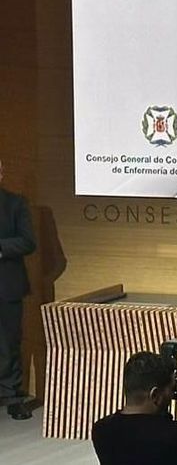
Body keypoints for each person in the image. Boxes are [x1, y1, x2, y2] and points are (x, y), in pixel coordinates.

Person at [91, 351, 177, 465]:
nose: (173, 394)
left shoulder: (102, 430)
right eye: (171, 389)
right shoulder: (175, 435)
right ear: (155, 395)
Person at [0, 157, 35, 420]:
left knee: (9, 343)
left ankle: (12, 396)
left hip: (7, 286)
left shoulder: (15, 203)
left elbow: (27, 241)